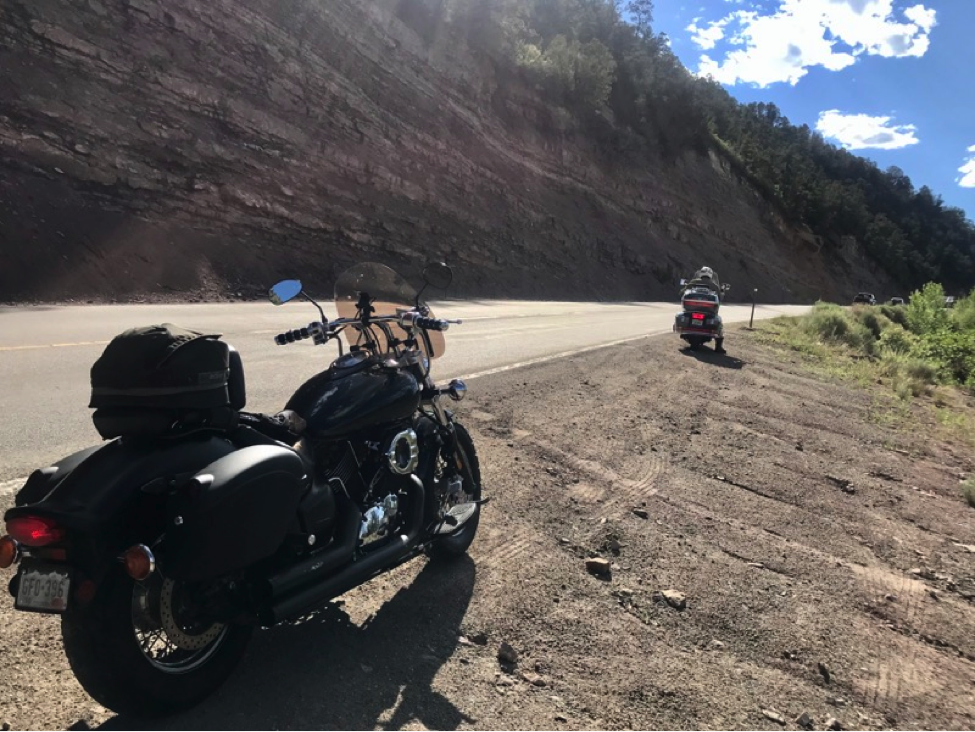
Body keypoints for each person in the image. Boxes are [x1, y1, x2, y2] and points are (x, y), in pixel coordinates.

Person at [680, 266, 727, 354]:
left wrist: (683, 291)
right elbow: (720, 297)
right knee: (720, 326)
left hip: (692, 309)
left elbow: (683, 291)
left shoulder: (694, 282)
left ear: (701, 273)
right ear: (711, 275)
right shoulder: (714, 285)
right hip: (709, 311)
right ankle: (718, 347)